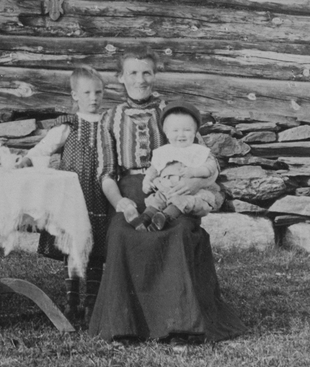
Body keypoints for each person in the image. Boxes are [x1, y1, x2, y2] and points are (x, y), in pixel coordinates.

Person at [87, 48, 245, 344]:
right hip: (132, 191)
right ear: (120, 78)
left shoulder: (173, 113)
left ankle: (181, 325)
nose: (140, 79)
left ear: (155, 75)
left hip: (177, 189)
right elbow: (106, 173)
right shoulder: (110, 118)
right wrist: (118, 201)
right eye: (132, 73)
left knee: (181, 230)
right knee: (122, 233)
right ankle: (125, 325)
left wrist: (191, 183)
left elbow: (207, 161)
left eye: (146, 72)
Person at [16, 65, 115, 320]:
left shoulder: (109, 123)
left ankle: (92, 303)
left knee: (97, 247)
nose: (94, 98)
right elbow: (45, 147)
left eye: (99, 92)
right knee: (72, 243)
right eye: (87, 93)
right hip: (73, 194)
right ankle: (71, 302)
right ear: (75, 95)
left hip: (100, 194)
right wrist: (27, 160)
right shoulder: (70, 124)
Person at [134, 107, 222, 231]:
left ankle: (164, 218)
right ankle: (145, 219)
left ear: (194, 132)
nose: (181, 134)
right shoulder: (165, 151)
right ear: (167, 133)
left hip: (192, 192)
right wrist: (147, 180)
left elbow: (211, 167)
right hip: (166, 190)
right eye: (175, 130)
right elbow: (154, 169)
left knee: (189, 202)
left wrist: (195, 172)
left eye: (187, 130)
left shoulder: (198, 151)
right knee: (157, 199)